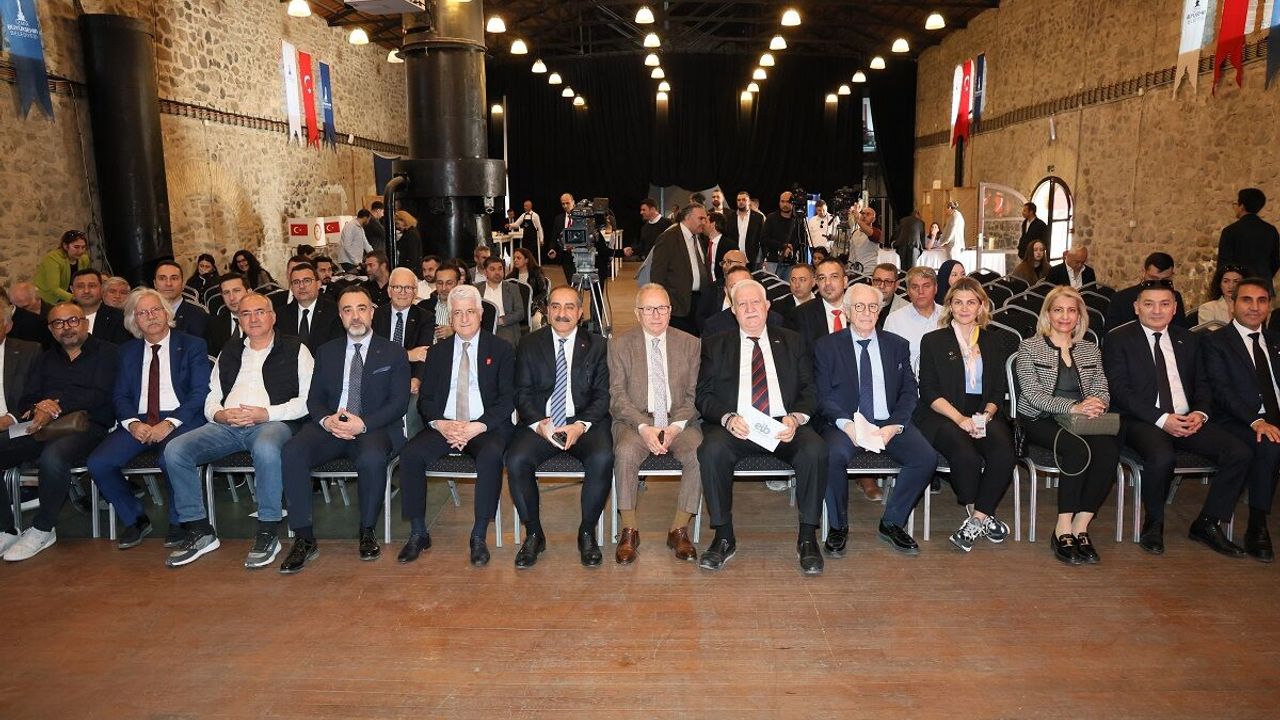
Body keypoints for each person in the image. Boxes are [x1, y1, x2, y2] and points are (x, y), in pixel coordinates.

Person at [161, 292, 313, 568]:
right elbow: (211, 395)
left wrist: (266, 413)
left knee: (266, 448)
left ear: (272, 317)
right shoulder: (229, 351)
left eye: (259, 312)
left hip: (273, 423)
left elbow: (307, 401)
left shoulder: (296, 349)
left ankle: (268, 529)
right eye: (246, 314)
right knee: (176, 450)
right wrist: (219, 414)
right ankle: (199, 529)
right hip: (227, 425)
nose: (253, 319)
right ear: (238, 320)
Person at [1104, 279, 1250, 557]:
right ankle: (1154, 523)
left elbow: (1203, 384)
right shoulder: (1118, 339)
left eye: (1165, 304)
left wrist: (1200, 413)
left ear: (1174, 309)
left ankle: (1207, 522)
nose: (1157, 310)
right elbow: (1120, 391)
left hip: (1187, 418)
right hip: (1141, 420)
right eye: (1149, 304)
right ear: (1136, 307)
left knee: (1239, 453)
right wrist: (1162, 419)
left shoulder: (1189, 340)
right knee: (1162, 457)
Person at [695, 279, 827, 574]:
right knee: (711, 451)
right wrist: (727, 418)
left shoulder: (792, 341)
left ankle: (807, 538)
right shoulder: (716, 344)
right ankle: (723, 536)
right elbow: (703, 395)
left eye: (755, 302)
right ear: (733, 311)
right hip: (738, 424)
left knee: (815, 450)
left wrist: (796, 417)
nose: (750, 309)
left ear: (768, 306)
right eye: (742, 304)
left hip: (783, 424)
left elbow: (810, 389)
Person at [278, 285, 411, 573]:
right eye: (348, 310)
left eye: (361, 308)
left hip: (374, 426)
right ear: (340, 316)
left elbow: (399, 403)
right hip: (332, 425)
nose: (355, 316)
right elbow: (314, 399)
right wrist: (326, 421)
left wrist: (363, 423)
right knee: (292, 451)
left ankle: (367, 530)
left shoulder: (393, 352)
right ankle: (303, 538)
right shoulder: (327, 352)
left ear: (372, 312)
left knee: (372, 458)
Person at [814, 282, 937, 558]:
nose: (867, 313)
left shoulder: (897, 345)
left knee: (925, 458)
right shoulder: (826, 346)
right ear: (847, 311)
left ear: (880, 312)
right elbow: (822, 395)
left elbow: (909, 391)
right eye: (859, 307)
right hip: (846, 424)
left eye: (872, 307)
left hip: (887, 422)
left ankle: (892, 522)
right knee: (831, 455)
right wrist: (847, 424)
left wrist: (895, 425)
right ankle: (838, 526)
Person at [397, 285, 514, 566]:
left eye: (470, 311)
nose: (464, 318)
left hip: (484, 426)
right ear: (450, 317)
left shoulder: (501, 349)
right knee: (410, 454)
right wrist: (441, 424)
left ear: (481, 314)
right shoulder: (438, 352)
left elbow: (507, 399)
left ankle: (478, 535)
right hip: (445, 424)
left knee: (490, 456)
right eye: (458, 313)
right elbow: (426, 399)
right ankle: (418, 532)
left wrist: (477, 426)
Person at [87, 288, 211, 550]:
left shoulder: (193, 345)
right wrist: (132, 423)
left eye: (156, 310)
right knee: (99, 463)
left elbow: (200, 392)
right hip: (140, 420)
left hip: (181, 418)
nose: (151, 316)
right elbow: (120, 395)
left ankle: (180, 520)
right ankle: (135, 518)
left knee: (172, 457)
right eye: (142, 313)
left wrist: (170, 423)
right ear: (134, 321)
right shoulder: (126, 352)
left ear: (167, 313)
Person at [0, 302, 118, 561]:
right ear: (51, 329)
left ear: (84, 323)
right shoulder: (45, 358)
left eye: (72, 320)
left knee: (53, 457)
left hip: (88, 426)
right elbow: (26, 399)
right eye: (58, 323)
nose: (66, 328)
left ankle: (43, 528)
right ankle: (5, 529)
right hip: (40, 426)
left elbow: (99, 394)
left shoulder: (108, 352)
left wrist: (54, 407)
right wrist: (38, 406)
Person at [506, 286, 613, 569]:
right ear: (547, 311)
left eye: (569, 307)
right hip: (543, 423)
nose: (562, 313)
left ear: (580, 313)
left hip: (584, 422)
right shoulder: (529, 343)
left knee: (602, 457)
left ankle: (587, 532)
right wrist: (539, 424)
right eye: (555, 306)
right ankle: (534, 534)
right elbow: (521, 392)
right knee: (516, 460)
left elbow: (603, 395)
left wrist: (580, 426)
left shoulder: (598, 345)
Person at [1015, 286, 1119, 565]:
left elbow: (1102, 388)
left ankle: (1080, 526)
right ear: (1047, 314)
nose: (1065, 316)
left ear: (1080, 316)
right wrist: (1073, 406)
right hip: (1040, 418)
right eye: (1058, 310)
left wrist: (1097, 404)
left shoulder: (1090, 349)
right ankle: (1062, 527)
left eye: (1072, 310)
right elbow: (1033, 395)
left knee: (1108, 451)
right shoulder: (1029, 347)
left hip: (1083, 419)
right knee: (1077, 449)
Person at [915, 279, 1016, 551]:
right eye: (958, 302)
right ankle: (982, 515)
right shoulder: (933, 340)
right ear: (949, 306)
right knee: (966, 456)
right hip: (943, 414)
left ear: (981, 306)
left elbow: (998, 389)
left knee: (1004, 452)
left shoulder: (993, 341)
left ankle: (977, 518)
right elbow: (928, 391)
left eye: (971, 302)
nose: (964, 308)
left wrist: (986, 415)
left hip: (983, 412)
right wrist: (960, 419)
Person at [609, 284, 704, 564]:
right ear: (637, 313)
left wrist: (674, 428)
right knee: (625, 452)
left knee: (700, 453)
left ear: (670, 311)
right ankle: (629, 530)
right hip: (635, 422)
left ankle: (679, 528)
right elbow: (617, 396)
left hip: (679, 421)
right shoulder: (619, 345)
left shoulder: (690, 344)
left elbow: (694, 395)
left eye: (662, 308)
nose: (656, 315)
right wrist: (644, 427)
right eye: (649, 309)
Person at [1202, 277, 1280, 562]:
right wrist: (1256, 422)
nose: (1254, 307)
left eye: (1262, 301)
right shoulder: (1215, 341)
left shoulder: (1276, 341)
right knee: (1268, 444)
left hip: (1274, 417)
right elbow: (1221, 391)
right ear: (1232, 305)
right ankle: (1257, 526)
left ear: (1269, 306)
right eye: (1247, 300)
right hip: (1235, 420)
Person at [0, 291, 42, 556]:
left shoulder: (28, 351)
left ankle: (6, 529)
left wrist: (11, 418)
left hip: (19, 427)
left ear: (8, 325)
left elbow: (36, 395)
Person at [650, 203, 711, 336]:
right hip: (678, 306)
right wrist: (666, 303)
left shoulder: (700, 238)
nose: (704, 222)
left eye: (705, 218)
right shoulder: (668, 238)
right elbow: (657, 276)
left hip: (699, 303)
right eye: (701, 218)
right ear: (687, 217)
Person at [1104, 252, 1189, 331]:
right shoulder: (1121, 299)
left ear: (1172, 276)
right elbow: (1111, 335)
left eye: (1165, 280)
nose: (1158, 284)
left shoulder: (1175, 297)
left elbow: (1181, 331)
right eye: (1153, 278)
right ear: (1144, 272)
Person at [1218, 188, 1280, 292]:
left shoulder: (1230, 231)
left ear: (1242, 206)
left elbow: (1224, 266)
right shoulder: (1271, 230)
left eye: (1236, 204)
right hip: (1263, 287)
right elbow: (1275, 262)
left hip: (1239, 289)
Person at [884, 266, 943, 373]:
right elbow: (888, 361)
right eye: (915, 287)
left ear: (936, 288)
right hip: (907, 381)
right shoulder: (894, 320)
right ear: (908, 291)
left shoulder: (949, 316)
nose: (921, 291)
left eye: (926, 286)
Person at [701, 265, 785, 338]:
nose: (740, 290)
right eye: (734, 286)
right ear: (726, 291)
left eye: (745, 284)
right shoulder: (714, 326)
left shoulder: (775, 320)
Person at [277, 262, 343, 353]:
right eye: (296, 282)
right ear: (291, 287)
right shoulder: (281, 315)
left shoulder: (334, 312)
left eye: (307, 281)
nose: (301, 286)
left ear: (318, 284)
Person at [71, 269, 130, 345]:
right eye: (80, 286)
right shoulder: (62, 317)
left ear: (101, 288)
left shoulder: (119, 318)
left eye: (92, 286)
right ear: (72, 290)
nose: (86, 291)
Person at [475, 256, 525, 347]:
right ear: (485, 272)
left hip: (504, 326)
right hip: (481, 327)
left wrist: (502, 320)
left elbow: (520, 313)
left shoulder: (512, 288)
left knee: (504, 344)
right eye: (492, 269)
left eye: (500, 269)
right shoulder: (476, 289)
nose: (497, 272)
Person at [153, 259, 209, 338]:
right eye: (162, 278)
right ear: (155, 284)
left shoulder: (199, 315)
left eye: (174, 278)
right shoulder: (145, 314)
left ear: (183, 283)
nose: (168, 283)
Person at [34, 230, 90, 305]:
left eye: (83, 247)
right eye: (76, 247)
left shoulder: (84, 259)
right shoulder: (53, 258)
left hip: (71, 297)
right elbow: (54, 288)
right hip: (48, 299)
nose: (80, 251)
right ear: (65, 246)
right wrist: (75, 298)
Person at [205, 273, 250, 356]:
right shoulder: (213, 325)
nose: (231, 298)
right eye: (226, 293)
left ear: (249, 292)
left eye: (236, 291)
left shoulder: (263, 321)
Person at [421, 264, 464, 344]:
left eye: (449, 283)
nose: (444, 288)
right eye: (440, 283)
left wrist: (455, 332)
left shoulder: (468, 307)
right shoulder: (423, 307)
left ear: (458, 284)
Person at [761, 191, 798, 278]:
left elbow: (802, 240)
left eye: (788, 202)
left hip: (792, 263)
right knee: (772, 285)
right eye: (782, 201)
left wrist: (790, 248)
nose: (785, 204)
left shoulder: (798, 220)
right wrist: (783, 246)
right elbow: (764, 239)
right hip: (773, 261)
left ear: (793, 203)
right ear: (779, 202)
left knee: (791, 286)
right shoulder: (771, 217)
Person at [727, 191, 764, 268]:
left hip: (752, 259)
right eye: (739, 200)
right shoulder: (730, 217)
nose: (741, 202)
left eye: (744, 199)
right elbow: (727, 237)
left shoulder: (758, 217)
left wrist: (763, 257)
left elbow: (762, 238)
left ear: (749, 201)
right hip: (734, 258)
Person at [870, 263, 909, 329]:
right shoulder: (857, 305)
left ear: (896, 285)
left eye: (888, 282)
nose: (882, 286)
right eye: (878, 280)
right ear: (872, 282)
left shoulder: (906, 309)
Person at [704, 212, 737, 287]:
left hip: (722, 286)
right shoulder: (703, 244)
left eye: (706, 222)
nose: (703, 224)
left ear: (713, 224)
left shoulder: (729, 245)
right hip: (706, 286)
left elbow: (733, 270)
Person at [851, 205, 884, 273]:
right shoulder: (855, 232)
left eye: (868, 214)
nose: (864, 216)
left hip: (869, 271)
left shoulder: (877, 232)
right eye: (862, 213)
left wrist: (858, 220)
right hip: (854, 270)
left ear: (873, 219)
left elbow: (871, 234)